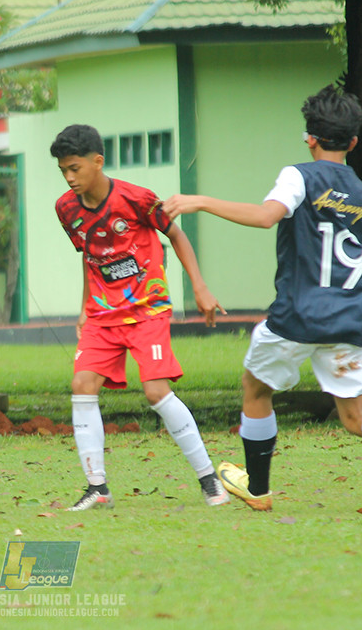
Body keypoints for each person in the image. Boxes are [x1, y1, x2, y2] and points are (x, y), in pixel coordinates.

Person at [162, 84, 362, 513]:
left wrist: (200, 201)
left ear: (310, 137)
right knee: (356, 417)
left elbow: (266, 217)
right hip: (346, 323)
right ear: (353, 143)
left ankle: (258, 491)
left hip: (296, 316)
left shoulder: (299, 176)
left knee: (256, 388)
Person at [49, 123, 230, 511]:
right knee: (82, 385)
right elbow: (90, 255)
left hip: (147, 308)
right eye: (63, 169)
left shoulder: (136, 199)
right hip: (101, 314)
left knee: (155, 392)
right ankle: (97, 487)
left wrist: (199, 287)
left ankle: (209, 479)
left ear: (98, 162)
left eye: (75, 168)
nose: (69, 177)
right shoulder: (66, 208)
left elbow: (176, 236)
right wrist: (85, 307)